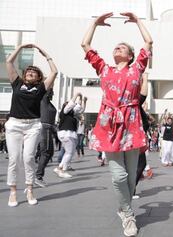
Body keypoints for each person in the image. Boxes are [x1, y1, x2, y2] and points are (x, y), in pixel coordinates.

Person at [81, 12, 152, 237]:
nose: (117, 50)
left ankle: (124, 208)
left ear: (131, 56)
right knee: (119, 176)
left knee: (131, 178)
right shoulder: (104, 69)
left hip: (131, 123)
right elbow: (85, 44)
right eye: (115, 48)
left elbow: (148, 42)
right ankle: (128, 216)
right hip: (109, 124)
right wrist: (94, 23)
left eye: (122, 48)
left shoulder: (136, 69)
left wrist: (138, 21)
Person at [5, 43, 57, 207]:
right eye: (28, 72)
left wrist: (45, 54)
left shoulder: (41, 88)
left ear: (38, 77)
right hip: (14, 125)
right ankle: (13, 191)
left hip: (33, 126)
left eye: (33, 73)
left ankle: (29, 189)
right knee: (14, 158)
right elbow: (9, 62)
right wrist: (20, 48)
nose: (30, 73)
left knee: (28, 158)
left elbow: (54, 71)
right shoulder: (17, 84)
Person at [55, 93, 86, 178]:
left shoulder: (71, 114)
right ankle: (62, 170)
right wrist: (76, 95)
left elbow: (80, 109)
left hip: (68, 134)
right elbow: (70, 105)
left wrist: (81, 99)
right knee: (69, 152)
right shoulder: (64, 112)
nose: (72, 106)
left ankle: (60, 167)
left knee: (69, 152)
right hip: (66, 133)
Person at [35, 89, 57, 187]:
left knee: (49, 152)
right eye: (51, 92)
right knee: (46, 152)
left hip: (49, 129)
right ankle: (38, 177)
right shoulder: (43, 100)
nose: (52, 94)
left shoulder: (48, 103)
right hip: (45, 128)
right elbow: (45, 87)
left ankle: (37, 175)